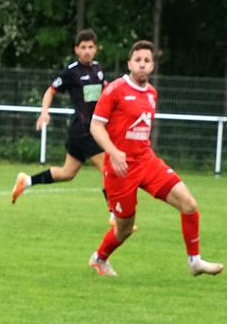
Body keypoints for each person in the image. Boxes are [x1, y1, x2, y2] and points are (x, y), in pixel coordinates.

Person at [87, 40, 222, 278]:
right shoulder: (115, 90)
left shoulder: (151, 93)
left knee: (189, 204)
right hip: (120, 169)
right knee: (125, 228)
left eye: (147, 61)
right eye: (137, 60)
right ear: (129, 64)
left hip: (146, 162)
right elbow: (96, 125)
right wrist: (114, 152)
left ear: (152, 66)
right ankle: (99, 258)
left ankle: (195, 261)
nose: (142, 65)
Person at [12, 30, 109, 208]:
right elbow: (50, 91)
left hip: (89, 129)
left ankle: (26, 181)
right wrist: (44, 112)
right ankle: (115, 215)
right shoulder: (71, 72)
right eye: (83, 47)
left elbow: (106, 90)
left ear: (96, 49)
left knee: (67, 173)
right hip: (84, 130)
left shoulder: (98, 68)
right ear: (76, 50)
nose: (87, 51)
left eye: (90, 47)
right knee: (109, 169)